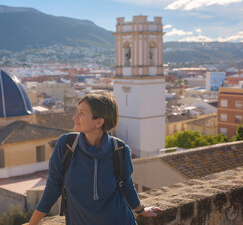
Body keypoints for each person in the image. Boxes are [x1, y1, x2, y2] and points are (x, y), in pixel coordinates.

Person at [29, 93, 161, 225]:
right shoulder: (66, 145)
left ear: (99, 122)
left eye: (82, 113)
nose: (75, 117)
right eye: (77, 111)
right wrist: (32, 223)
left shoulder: (119, 149)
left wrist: (141, 210)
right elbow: (52, 189)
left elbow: (127, 186)